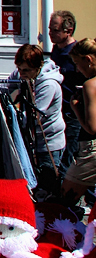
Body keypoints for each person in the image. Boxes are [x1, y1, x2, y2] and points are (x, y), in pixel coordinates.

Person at [8, 44, 65, 196]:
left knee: (47, 186)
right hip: (32, 141)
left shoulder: (49, 84)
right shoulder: (21, 73)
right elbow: (6, 87)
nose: (21, 73)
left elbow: (36, 113)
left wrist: (11, 119)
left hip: (49, 142)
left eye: (26, 70)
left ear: (38, 67)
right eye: (19, 69)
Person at [62, 38, 96, 205]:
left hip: (92, 151)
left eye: (77, 63)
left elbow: (92, 127)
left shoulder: (91, 85)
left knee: (66, 197)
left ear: (88, 60)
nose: (77, 69)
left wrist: (76, 108)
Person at [49, 10, 84, 172]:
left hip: (73, 114)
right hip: (57, 113)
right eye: (49, 29)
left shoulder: (77, 54)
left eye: (55, 30)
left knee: (70, 157)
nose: (50, 34)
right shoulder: (55, 52)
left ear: (68, 31)